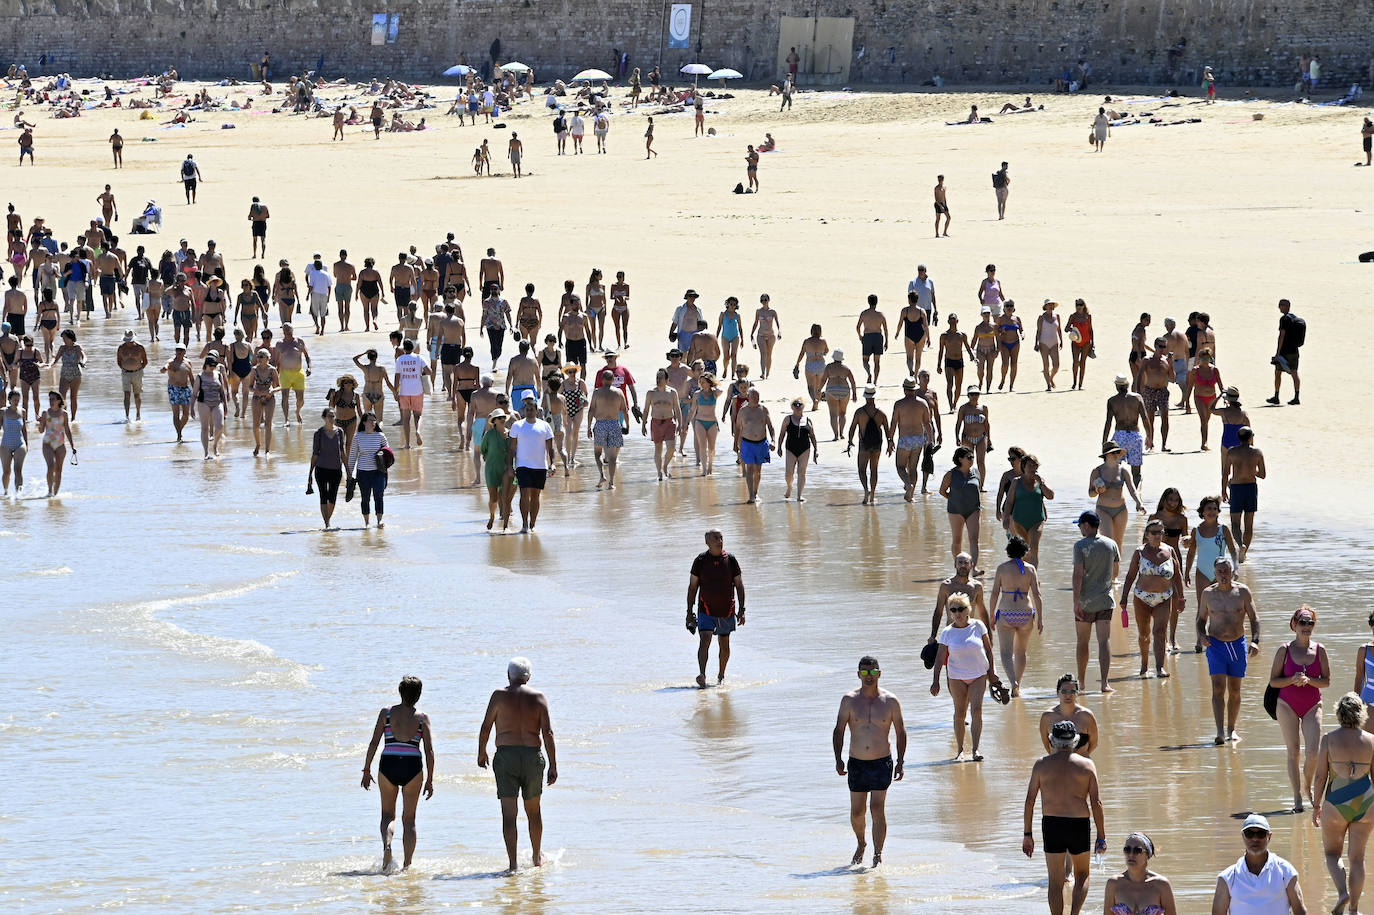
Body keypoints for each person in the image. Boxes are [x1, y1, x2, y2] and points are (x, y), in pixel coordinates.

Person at [477, 657, 558, 874]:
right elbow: (548, 733)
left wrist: (481, 752)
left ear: (508, 675)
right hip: (532, 757)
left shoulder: (498, 696)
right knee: (534, 811)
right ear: (528, 677)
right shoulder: (539, 698)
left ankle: (512, 865)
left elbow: (486, 726)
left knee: (509, 814)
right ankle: (536, 857)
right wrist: (553, 765)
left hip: (506, 757)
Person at [1022, 720, 1106, 915]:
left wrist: (1027, 833)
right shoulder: (1087, 765)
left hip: (1052, 824)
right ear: (1075, 741)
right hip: (1078, 823)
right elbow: (1096, 803)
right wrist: (1101, 836)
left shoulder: (1041, 765)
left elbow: (1029, 801)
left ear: (1052, 741)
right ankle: (1074, 913)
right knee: (1082, 874)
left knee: (1055, 879)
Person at [833, 656, 906, 868]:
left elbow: (900, 732)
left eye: (872, 672)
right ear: (858, 674)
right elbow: (839, 730)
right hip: (857, 762)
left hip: (882, 762)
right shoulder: (849, 700)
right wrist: (838, 759)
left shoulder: (890, 701)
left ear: (879, 674)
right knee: (857, 812)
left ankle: (878, 854)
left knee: (876, 807)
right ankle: (861, 843)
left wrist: (901, 761)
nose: (868, 676)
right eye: (864, 672)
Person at [360, 676, 434, 872]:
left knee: (387, 815)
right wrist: (430, 780)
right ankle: (407, 866)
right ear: (419, 695)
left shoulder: (387, 713)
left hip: (389, 764)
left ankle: (387, 846)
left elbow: (374, 743)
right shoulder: (422, 718)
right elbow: (429, 751)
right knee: (409, 820)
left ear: (400, 692)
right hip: (412, 766)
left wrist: (366, 770)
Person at [1312, 693, 1374, 915]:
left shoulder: (1329, 738)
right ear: (1361, 713)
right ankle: (1355, 910)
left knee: (1332, 854)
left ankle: (1341, 893)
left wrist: (1315, 805)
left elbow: (1320, 776)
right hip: (1366, 801)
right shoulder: (1372, 740)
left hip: (1337, 800)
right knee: (1357, 858)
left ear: (1339, 713)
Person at [1266, 606, 1328, 815]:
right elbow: (1273, 682)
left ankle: (1307, 785)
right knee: (1294, 751)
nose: (1306, 626)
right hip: (1287, 704)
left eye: (1310, 622)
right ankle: (1297, 795)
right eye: (1302, 622)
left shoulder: (1320, 650)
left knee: (1313, 752)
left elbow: (1327, 681)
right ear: (1294, 625)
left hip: (1312, 705)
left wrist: (1310, 680)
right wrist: (1291, 680)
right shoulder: (1284, 650)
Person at [931, 591, 1001, 761]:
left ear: (968, 609)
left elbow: (989, 651)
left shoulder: (978, 626)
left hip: (978, 675)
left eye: (961, 609)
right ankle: (960, 750)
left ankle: (975, 750)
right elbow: (940, 658)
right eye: (953, 610)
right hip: (956, 677)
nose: (957, 613)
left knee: (976, 711)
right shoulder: (947, 632)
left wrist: (992, 674)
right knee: (960, 712)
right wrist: (935, 681)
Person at [1199, 556, 1261, 744]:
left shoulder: (1242, 592)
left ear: (1232, 572)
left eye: (1226, 571)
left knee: (1234, 690)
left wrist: (1255, 640)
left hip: (1237, 644)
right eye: (1220, 572)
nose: (1223, 575)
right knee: (1218, 688)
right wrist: (1201, 635)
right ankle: (1219, 732)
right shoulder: (1208, 594)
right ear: (1215, 573)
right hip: (1215, 645)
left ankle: (1231, 730)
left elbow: (1254, 618)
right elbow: (1200, 620)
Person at [1120, 519, 1186, 679]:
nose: (1158, 535)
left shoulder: (1170, 551)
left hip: (1164, 597)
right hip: (1142, 597)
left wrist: (1181, 597)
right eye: (1154, 532)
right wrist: (1124, 597)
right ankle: (1144, 666)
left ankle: (1159, 668)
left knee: (1160, 632)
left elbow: (1177, 576)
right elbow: (1130, 576)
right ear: (1147, 535)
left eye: (1160, 532)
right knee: (1144, 634)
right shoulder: (1140, 552)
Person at [686, 528, 746, 688]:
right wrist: (689, 613)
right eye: (716, 538)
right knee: (705, 640)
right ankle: (702, 675)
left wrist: (742, 610)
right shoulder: (700, 560)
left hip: (726, 610)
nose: (720, 541)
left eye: (721, 537)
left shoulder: (731, 560)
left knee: (724, 643)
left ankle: (721, 675)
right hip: (705, 609)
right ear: (707, 542)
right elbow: (692, 588)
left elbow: (739, 585)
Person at [1211, 814, 1306, 914]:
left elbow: (1300, 911)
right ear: (1243, 836)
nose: (1255, 839)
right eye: (1249, 834)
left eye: (1260, 834)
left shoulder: (1286, 871)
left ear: (1269, 836)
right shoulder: (1227, 878)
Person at [1072, 510, 1121, 694]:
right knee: (1104, 641)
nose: (1080, 530)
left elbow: (1077, 575)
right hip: (1105, 600)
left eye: (1080, 526)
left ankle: (1082, 683)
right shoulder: (1111, 544)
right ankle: (1104, 683)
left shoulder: (1080, 546)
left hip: (1085, 601)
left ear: (1086, 525)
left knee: (1082, 641)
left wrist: (1076, 601)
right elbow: (1116, 571)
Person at [988, 535, 1042, 695]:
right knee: (1021, 652)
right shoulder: (1030, 569)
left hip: (1006, 614)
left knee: (1006, 652)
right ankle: (1017, 686)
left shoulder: (1002, 568)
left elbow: (994, 594)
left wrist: (991, 615)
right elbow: (1038, 595)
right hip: (1026, 614)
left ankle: (1013, 681)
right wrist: (1040, 618)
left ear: (1009, 551)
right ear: (1025, 551)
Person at [508, 395, 554, 532]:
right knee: (524, 494)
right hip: (522, 465)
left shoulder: (544, 426)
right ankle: (524, 524)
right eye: (527, 410)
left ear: (536, 411)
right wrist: (510, 466)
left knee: (536, 496)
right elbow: (511, 448)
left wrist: (553, 464)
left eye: (531, 410)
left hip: (540, 466)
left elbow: (550, 447)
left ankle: (533, 524)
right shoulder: (517, 426)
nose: (529, 412)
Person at [1103, 832, 1177, 915]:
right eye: (1127, 849)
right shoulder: (1113, 883)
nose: (1131, 854)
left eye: (1137, 850)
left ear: (1147, 855)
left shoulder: (1162, 885)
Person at [1090, 441, 1144, 550]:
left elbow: (1132, 490)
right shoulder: (1097, 471)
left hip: (1121, 510)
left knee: (1118, 544)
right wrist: (1097, 490)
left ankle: (1116, 567)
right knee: (1108, 544)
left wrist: (1139, 502)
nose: (1116, 455)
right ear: (1106, 455)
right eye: (1113, 453)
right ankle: (1107, 567)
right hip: (1103, 510)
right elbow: (1090, 493)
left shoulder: (1123, 470)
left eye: (1117, 452)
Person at [1222, 426, 1265, 562]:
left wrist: (1223, 490)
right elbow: (1263, 475)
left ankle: (1240, 545)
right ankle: (1244, 553)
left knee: (1235, 522)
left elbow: (1226, 473)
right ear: (1251, 437)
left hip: (1236, 488)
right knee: (1249, 523)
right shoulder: (1257, 452)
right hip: (1251, 488)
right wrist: (1252, 470)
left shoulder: (1232, 452)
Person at [1002, 451, 1053, 566]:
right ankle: (1023, 575)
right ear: (1023, 467)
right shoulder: (1016, 482)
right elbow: (1009, 502)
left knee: (1034, 548)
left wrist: (1042, 483)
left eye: (1035, 466)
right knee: (1022, 550)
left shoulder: (1041, 481)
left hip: (1037, 520)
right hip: (1018, 521)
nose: (1032, 468)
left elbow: (1050, 496)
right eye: (1030, 465)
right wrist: (1006, 518)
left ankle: (1033, 577)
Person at [940, 446, 982, 570]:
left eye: (972, 457)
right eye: (969, 457)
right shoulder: (951, 474)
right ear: (960, 459)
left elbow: (978, 489)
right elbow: (942, 491)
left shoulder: (976, 472)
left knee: (974, 539)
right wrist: (953, 499)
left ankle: (973, 568)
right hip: (955, 511)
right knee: (957, 540)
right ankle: (959, 566)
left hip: (973, 510)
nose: (972, 460)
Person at [306, 408, 348, 530]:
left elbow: (342, 452)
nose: (331, 418)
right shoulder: (318, 433)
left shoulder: (340, 432)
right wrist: (310, 474)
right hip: (321, 469)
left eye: (333, 416)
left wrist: (348, 471)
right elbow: (315, 454)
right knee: (323, 496)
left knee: (333, 497)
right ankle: (327, 524)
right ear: (324, 418)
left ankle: (327, 520)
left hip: (336, 470)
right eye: (329, 416)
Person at [347, 412, 390, 528]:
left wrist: (382, 454)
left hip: (378, 472)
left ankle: (379, 521)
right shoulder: (358, 436)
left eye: (374, 420)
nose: (373, 422)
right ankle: (367, 523)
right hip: (363, 472)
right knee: (365, 498)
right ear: (364, 422)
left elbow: (388, 453)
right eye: (370, 420)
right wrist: (349, 473)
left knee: (379, 496)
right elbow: (353, 455)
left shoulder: (380, 436)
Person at [1040, 674, 1099, 757]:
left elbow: (1094, 744)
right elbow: (1047, 745)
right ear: (1057, 693)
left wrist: (1080, 759)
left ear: (1077, 693)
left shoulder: (1087, 715)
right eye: (1064, 691)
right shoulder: (1047, 716)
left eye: (1072, 691)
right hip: (1057, 765)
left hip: (1081, 766)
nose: (1068, 695)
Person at [846, 385, 887, 505]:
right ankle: (873, 495)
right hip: (877, 443)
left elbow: (852, 428)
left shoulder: (859, 412)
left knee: (861, 469)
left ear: (865, 397)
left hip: (864, 443)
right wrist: (890, 442)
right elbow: (888, 430)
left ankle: (866, 490)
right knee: (874, 469)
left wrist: (850, 442)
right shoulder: (881, 413)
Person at [734, 388, 774, 504]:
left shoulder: (763, 409)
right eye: (754, 397)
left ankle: (756, 493)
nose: (756, 399)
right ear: (748, 397)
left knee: (758, 470)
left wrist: (773, 440)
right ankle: (751, 495)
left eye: (758, 397)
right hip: (747, 443)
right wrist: (736, 444)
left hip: (761, 443)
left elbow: (771, 427)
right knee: (750, 469)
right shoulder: (743, 411)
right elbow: (738, 428)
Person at [777, 397, 818, 501]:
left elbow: (812, 436)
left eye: (800, 405)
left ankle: (799, 495)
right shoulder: (788, 419)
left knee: (802, 472)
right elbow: (782, 434)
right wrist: (779, 447)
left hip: (805, 449)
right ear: (792, 407)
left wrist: (816, 450)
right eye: (795, 405)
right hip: (790, 448)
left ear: (803, 406)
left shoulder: (808, 420)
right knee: (788, 473)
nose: (797, 407)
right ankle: (790, 487)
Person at [190, 356, 228, 460]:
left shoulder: (218, 375)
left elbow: (222, 392)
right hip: (204, 403)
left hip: (217, 402)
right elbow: (194, 394)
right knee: (205, 428)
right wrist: (192, 407)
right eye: (211, 365)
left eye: (215, 365)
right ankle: (206, 452)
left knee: (220, 426)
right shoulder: (200, 376)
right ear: (205, 365)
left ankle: (215, 446)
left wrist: (225, 405)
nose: (213, 367)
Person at [1268, 298, 1304, 406]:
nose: (1279, 307)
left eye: (1281, 305)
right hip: (1294, 351)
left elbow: (1281, 335)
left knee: (1278, 372)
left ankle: (1276, 396)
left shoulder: (1284, 319)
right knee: (1294, 372)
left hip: (1285, 351)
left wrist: (1277, 353)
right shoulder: (1295, 319)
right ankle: (1296, 397)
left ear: (1286, 306)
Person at [37, 391, 74, 497]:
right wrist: (39, 424)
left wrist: (72, 446)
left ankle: (55, 495)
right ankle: (49, 491)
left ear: (59, 401)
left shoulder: (64, 414)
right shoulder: (45, 413)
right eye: (49, 399)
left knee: (59, 470)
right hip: (47, 443)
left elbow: (67, 430)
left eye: (53, 399)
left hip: (60, 444)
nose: (51, 401)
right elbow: (41, 431)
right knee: (51, 466)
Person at [116, 330, 148, 422]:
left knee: (137, 395)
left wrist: (138, 369)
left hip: (137, 373)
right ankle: (127, 416)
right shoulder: (121, 348)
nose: (128, 342)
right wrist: (125, 368)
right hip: (125, 373)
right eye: (127, 340)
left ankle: (138, 414)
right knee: (126, 394)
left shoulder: (140, 347)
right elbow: (119, 361)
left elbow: (145, 361)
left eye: (129, 340)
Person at [855, 293, 888, 384]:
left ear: (868, 302)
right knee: (877, 362)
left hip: (868, 337)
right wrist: (886, 341)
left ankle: (869, 373)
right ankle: (875, 381)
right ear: (876, 302)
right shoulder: (881, 315)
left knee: (865, 360)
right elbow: (885, 329)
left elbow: (858, 327)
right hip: (878, 337)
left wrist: (860, 336)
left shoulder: (864, 313)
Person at [1, 390, 26, 495]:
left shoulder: (22, 411)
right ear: (9, 400)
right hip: (6, 444)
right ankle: (6, 492)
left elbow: (24, 429)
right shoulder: (3, 411)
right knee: (7, 471)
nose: (16, 402)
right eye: (14, 400)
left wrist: (27, 444)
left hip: (19, 443)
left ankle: (18, 495)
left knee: (18, 470)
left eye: (18, 400)